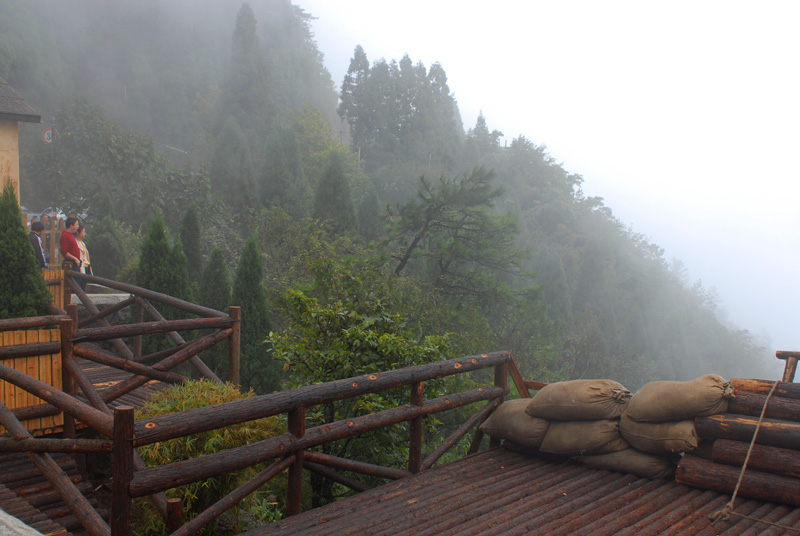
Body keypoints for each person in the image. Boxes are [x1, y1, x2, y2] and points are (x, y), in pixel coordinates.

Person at [59, 217, 83, 288]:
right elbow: (64, 251)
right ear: (71, 225)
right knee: (73, 284)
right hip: (71, 263)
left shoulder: (71, 235)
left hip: (75, 262)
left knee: (77, 282)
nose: (77, 226)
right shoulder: (65, 235)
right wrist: (74, 258)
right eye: (76, 224)